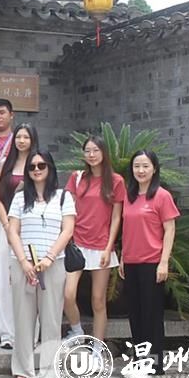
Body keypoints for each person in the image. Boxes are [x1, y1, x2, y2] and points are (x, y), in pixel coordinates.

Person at [7, 150, 75, 378]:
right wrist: (23, 262)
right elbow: (12, 231)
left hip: (53, 264)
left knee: (51, 319)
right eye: (32, 166)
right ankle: (23, 367)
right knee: (23, 318)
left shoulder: (64, 197)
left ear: (50, 168)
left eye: (41, 165)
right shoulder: (19, 198)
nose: (36, 170)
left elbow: (67, 230)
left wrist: (49, 257)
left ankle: (49, 369)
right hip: (23, 264)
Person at [120, 150, 179, 377]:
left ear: (154, 168)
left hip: (152, 263)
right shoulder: (129, 196)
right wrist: (123, 257)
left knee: (151, 315)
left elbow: (169, 229)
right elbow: (127, 229)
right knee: (135, 315)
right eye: (137, 166)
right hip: (131, 263)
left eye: (145, 166)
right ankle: (139, 361)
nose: (141, 170)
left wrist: (164, 262)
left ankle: (154, 364)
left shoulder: (162, 196)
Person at [63, 136, 125, 344]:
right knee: (68, 294)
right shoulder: (77, 177)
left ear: (104, 152)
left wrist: (109, 247)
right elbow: (68, 210)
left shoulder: (116, 181)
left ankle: (98, 346)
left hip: (101, 246)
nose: (91, 155)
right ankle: (77, 331)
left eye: (96, 150)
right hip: (76, 244)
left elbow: (116, 217)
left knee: (98, 301)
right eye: (87, 151)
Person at [0, 123, 39, 349]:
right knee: (6, 280)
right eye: (18, 137)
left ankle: (30, 335)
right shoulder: (5, 164)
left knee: (31, 280)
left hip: (31, 229)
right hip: (7, 227)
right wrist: (7, 224)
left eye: (26, 137)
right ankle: (8, 334)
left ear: (33, 140)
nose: (21, 141)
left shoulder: (39, 164)